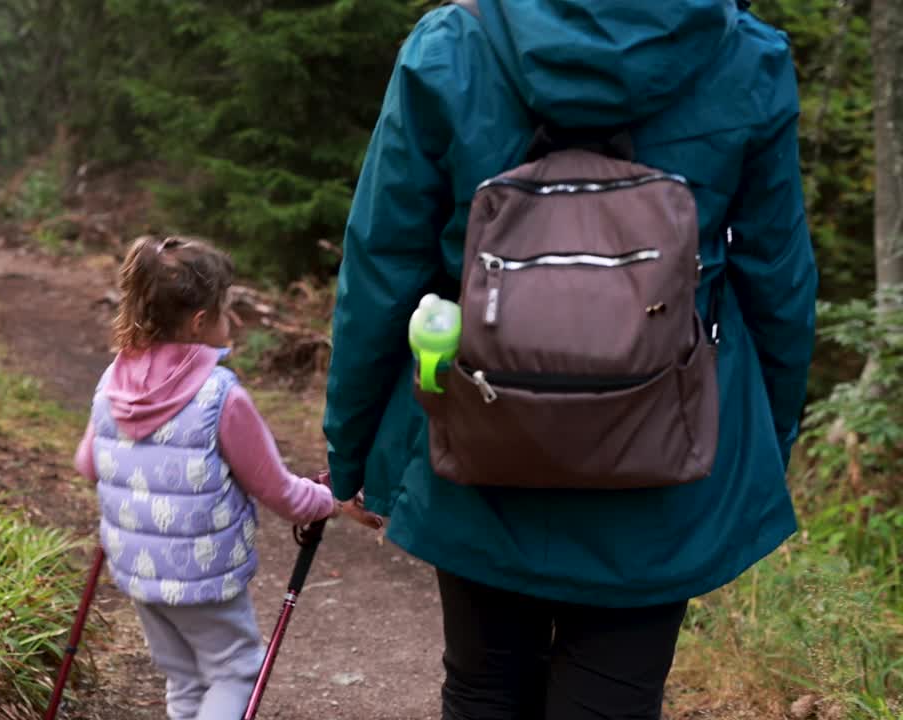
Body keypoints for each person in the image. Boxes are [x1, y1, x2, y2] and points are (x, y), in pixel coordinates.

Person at [323, 2, 818, 719]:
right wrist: (770, 438)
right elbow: (777, 275)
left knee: (484, 690)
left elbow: (382, 264)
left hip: (481, 446)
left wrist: (354, 451)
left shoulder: (455, 43)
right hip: (663, 465)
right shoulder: (743, 56)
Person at [74, 235, 378, 720]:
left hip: (137, 571)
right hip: (203, 577)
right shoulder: (220, 397)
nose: (231, 321)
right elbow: (279, 491)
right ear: (199, 322)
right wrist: (332, 499)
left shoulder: (113, 380)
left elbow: (88, 463)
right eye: (225, 310)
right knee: (235, 670)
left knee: (186, 677)